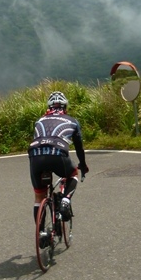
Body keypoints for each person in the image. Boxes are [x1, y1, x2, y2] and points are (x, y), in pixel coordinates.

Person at [28, 91, 89, 244]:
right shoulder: (72, 121)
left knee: (39, 197)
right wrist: (83, 164)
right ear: (65, 107)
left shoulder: (39, 120)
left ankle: (41, 233)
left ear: (48, 107)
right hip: (58, 153)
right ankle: (66, 200)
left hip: (35, 154)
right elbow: (79, 148)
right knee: (73, 174)